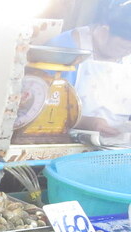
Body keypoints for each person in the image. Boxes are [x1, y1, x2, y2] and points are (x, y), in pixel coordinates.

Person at [46, 1, 131, 136]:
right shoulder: (64, 49)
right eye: (122, 48)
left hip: (114, 149)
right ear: (105, 30)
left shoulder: (127, 57)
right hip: (62, 140)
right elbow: (39, 108)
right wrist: (88, 123)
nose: (126, 53)